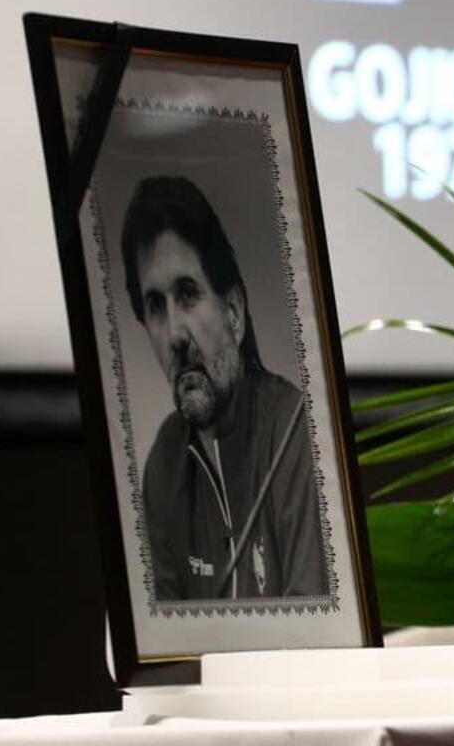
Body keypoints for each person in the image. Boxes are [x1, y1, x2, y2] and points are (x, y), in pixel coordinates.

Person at [120, 176, 328, 601]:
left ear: (233, 312)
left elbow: (314, 634)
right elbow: (162, 634)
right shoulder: (165, 459)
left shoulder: (294, 432)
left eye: (187, 294)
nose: (175, 334)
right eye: (156, 305)